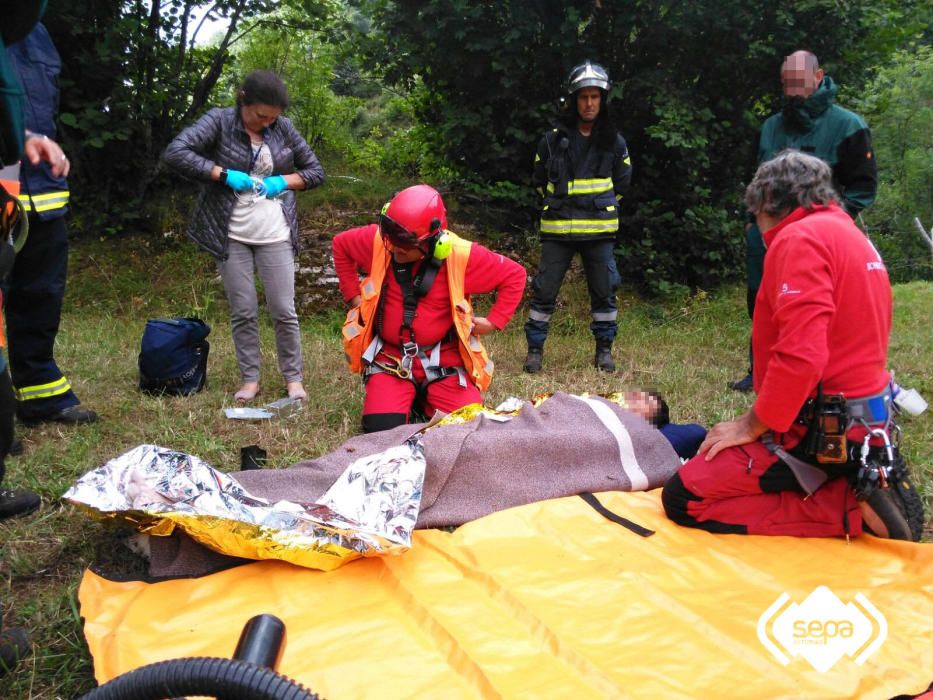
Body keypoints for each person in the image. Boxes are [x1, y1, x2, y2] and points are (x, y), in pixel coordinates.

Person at [662, 150, 923, 541]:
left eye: (757, 219)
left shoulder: (798, 239)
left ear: (769, 203)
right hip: (866, 421)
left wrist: (751, 425)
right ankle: (857, 479)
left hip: (816, 430)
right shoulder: (850, 234)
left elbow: (802, 356)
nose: (760, 233)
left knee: (685, 496)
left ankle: (845, 508)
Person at [163, 70, 324, 403]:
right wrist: (221, 174)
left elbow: (314, 172)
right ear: (243, 100)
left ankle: (293, 379)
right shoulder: (220, 121)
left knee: (283, 309)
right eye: (259, 115)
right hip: (231, 234)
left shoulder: (284, 128)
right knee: (244, 310)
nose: (265, 123)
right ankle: (250, 379)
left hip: (275, 233)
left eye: (272, 118)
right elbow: (177, 152)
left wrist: (284, 181)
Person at [731, 50, 877, 392]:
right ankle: (760, 371)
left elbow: (864, 186)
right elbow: (752, 177)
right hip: (766, 234)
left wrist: (838, 220)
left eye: (798, 82)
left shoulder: (848, 126)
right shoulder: (771, 127)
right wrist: (750, 220)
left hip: (821, 236)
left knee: (811, 302)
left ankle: (820, 372)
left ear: (817, 76)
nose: (792, 91)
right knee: (762, 299)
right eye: (786, 84)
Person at [333, 184, 526, 433]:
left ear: (434, 241)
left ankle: (423, 397)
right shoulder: (381, 240)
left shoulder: (461, 255)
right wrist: (353, 298)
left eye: (405, 244)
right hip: (391, 359)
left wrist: (494, 321)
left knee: (469, 429)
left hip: (443, 360)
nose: (395, 248)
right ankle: (405, 395)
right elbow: (341, 245)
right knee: (380, 432)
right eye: (392, 240)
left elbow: (515, 275)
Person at [4, 23, 98, 427]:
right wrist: (15, 137)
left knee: (41, 293)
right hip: (3, 178)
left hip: (42, 186)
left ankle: (40, 393)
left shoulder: (37, 30)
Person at [524, 60, 632, 374]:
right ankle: (534, 352)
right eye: (583, 97)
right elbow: (538, 178)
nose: (589, 103)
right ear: (574, 100)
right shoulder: (552, 139)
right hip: (558, 230)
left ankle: (604, 351)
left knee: (604, 294)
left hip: (599, 232)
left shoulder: (614, 140)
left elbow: (622, 183)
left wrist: (604, 207)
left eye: (594, 97)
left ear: (603, 100)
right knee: (544, 292)